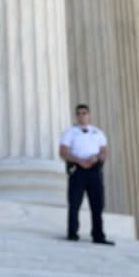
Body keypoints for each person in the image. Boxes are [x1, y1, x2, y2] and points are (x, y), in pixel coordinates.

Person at [59, 103, 114, 245]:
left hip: (94, 169)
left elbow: (104, 151)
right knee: (74, 202)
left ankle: (98, 235)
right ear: (76, 116)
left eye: (84, 113)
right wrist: (79, 160)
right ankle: (72, 233)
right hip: (78, 169)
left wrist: (97, 159)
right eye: (79, 113)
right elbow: (63, 151)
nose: (82, 115)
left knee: (97, 204)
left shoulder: (98, 132)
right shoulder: (70, 132)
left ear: (89, 115)